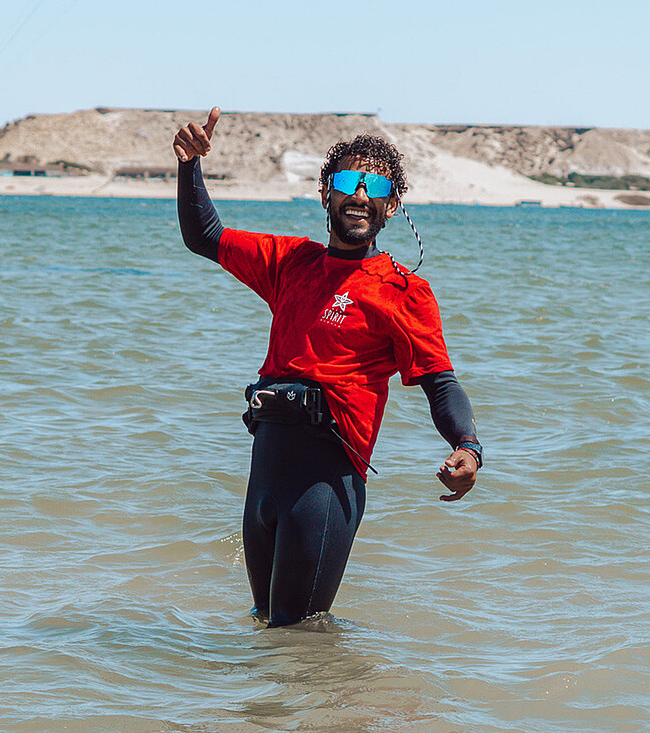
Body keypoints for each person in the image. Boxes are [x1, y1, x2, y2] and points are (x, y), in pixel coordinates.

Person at [173, 107, 482, 628]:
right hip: (266, 471)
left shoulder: (402, 291)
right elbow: (205, 236)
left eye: (374, 185)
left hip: (326, 481)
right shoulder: (292, 264)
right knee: (265, 625)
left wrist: (467, 446)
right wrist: (189, 167)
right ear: (326, 194)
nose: (359, 194)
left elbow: (438, 381)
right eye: (346, 181)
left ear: (391, 205)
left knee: (297, 631)